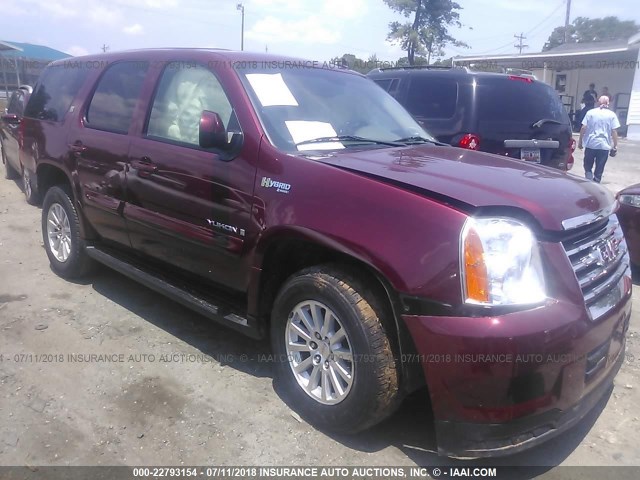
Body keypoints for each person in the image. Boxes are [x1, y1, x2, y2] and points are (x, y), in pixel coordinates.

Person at [578, 95, 620, 183]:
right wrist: (615, 145)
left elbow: (583, 127)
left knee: (587, 165)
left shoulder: (590, 112)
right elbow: (614, 131)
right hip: (604, 146)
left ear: (597, 102)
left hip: (591, 144)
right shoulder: (612, 115)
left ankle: (588, 179)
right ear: (608, 103)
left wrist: (580, 141)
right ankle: (596, 183)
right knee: (599, 168)